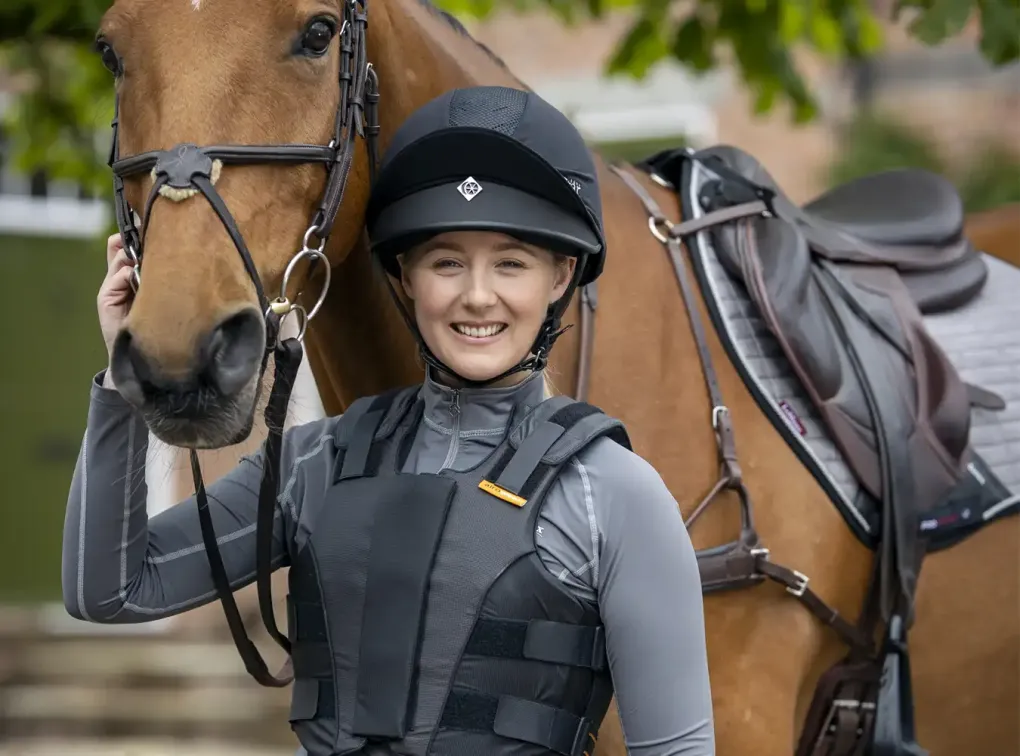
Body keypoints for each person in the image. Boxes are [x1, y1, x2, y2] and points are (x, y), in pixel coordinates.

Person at [62, 85, 715, 756]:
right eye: (446, 263)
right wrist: (121, 379)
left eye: (512, 264)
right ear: (405, 276)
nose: (477, 295)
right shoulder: (316, 463)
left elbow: (677, 749)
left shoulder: (612, 492)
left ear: (560, 277)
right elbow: (109, 592)